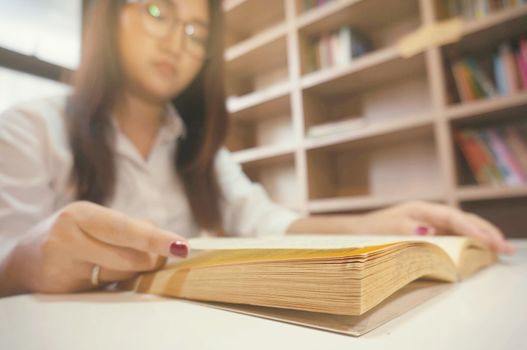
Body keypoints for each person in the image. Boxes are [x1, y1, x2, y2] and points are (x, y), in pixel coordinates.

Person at [0, 0, 514, 297]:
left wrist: (374, 222)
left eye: (198, 31)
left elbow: (265, 220)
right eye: (159, 11)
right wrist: (29, 257)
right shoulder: (29, 127)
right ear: (106, 17)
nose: (179, 41)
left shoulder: (200, 146)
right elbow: (7, 264)